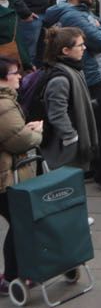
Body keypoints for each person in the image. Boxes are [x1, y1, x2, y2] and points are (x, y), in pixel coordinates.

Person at [41, 0, 101, 194]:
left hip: (99, 75)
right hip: (92, 78)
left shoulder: (83, 9)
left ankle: (99, 167)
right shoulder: (73, 15)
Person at [0, 56, 43, 284]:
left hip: (6, 174)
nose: (20, 76)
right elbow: (18, 141)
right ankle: (12, 277)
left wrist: (25, 130)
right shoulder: (3, 104)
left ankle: (18, 273)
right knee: (20, 223)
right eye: (14, 73)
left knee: (19, 223)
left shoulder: (6, 101)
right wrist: (37, 133)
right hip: (4, 178)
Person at [35, 25, 99, 176]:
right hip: (63, 147)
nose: (84, 48)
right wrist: (71, 137)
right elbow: (57, 114)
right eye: (80, 45)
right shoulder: (60, 79)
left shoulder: (73, 69)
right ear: (65, 51)